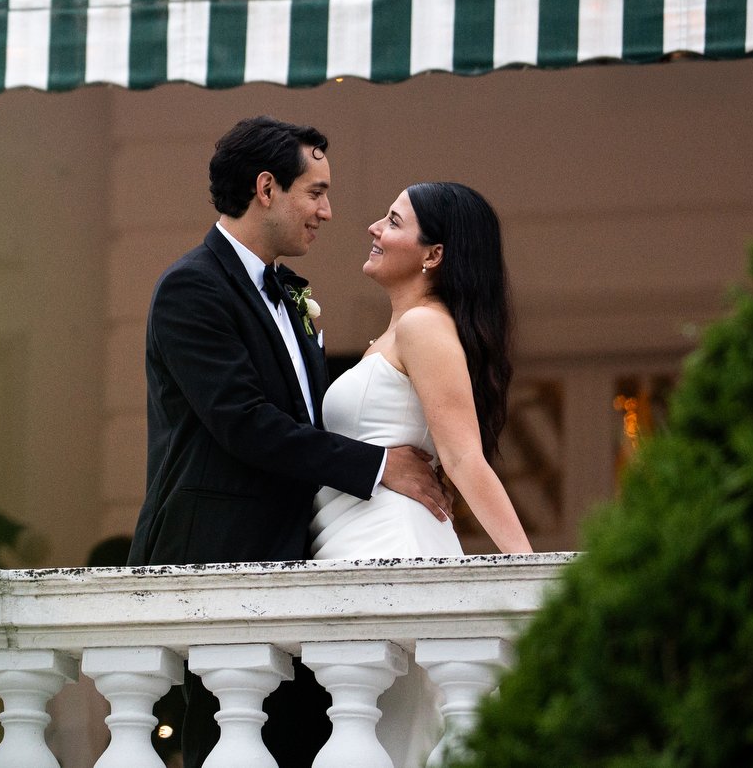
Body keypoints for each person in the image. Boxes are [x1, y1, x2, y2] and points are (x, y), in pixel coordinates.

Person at [127, 117, 449, 768]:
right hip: (221, 563)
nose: (329, 212)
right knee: (227, 746)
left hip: (299, 564)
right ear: (267, 188)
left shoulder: (290, 295)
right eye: (316, 192)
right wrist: (379, 464)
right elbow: (243, 421)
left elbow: (303, 423)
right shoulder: (192, 288)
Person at [308, 181, 532, 765]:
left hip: (390, 544)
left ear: (432, 254)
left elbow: (464, 460)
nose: (374, 229)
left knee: (398, 741)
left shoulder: (423, 327)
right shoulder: (400, 329)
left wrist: (528, 576)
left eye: (392, 221)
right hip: (356, 538)